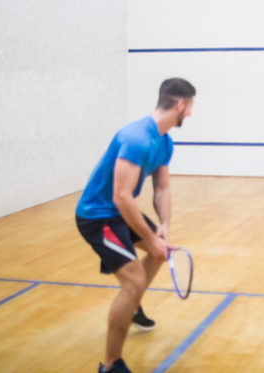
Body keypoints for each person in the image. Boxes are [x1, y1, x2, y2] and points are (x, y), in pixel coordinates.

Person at [75, 78, 195, 373]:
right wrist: (149, 237)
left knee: (159, 252)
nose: (191, 114)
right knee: (135, 282)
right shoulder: (137, 138)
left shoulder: (164, 141)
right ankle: (111, 365)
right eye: (190, 107)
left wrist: (163, 228)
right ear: (179, 104)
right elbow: (121, 196)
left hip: (118, 213)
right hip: (97, 216)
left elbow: (162, 189)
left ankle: (132, 303)